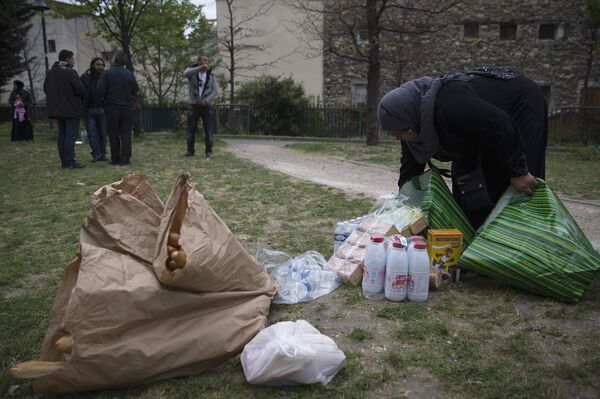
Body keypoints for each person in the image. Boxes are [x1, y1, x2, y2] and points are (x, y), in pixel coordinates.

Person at [377, 67, 547, 228]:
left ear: (408, 123)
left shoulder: (450, 105)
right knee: (467, 196)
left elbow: (501, 125)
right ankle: (474, 243)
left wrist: (518, 171)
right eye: (393, 133)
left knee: (514, 190)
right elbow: (410, 171)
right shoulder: (410, 122)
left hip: (519, 106)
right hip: (479, 133)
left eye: (398, 132)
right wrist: (405, 206)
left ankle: (521, 246)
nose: (398, 137)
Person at [44, 49, 86, 169]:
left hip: (56, 110)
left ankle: (64, 161)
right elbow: (80, 90)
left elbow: (46, 89)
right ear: (68, 58)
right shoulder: (70, 72)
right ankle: (70, 162)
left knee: (61, 135)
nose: (73, 61)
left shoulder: (51, 72)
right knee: (70, 136)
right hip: (71, 110)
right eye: (72, 58)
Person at [97, 50, 139, 166]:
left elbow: (100, 91)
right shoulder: (129, 74)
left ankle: (115, 158)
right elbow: (135, 89)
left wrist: (105, 99)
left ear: (114, 60)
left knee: (113, 133)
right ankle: (125, 158)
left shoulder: (106, 74)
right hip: (126, 107)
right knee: (126, 133)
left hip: (112, 107)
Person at [183, 54, 219, 158]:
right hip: (194, 105)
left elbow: (215, 91)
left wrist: (207, 101)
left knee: (208, 129)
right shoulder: (193, 72)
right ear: (199, 61)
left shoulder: (211, 75)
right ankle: (190, 151)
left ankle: (209, 151)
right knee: (191, 129)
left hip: (206, 106)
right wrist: (199, 68)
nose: (206, 63)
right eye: (204, 60)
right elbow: (185, 73)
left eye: (207, 61)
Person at [81, 57, 108, 162]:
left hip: (102, 109)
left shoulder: (105, 77)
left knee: (102, 133)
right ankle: (96, 154)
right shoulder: (85, 77)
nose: (100, 66)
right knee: (92, 134)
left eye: (102, 65)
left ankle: (103, 153)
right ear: (93, 65)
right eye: (98, 64)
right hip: (89, 109)